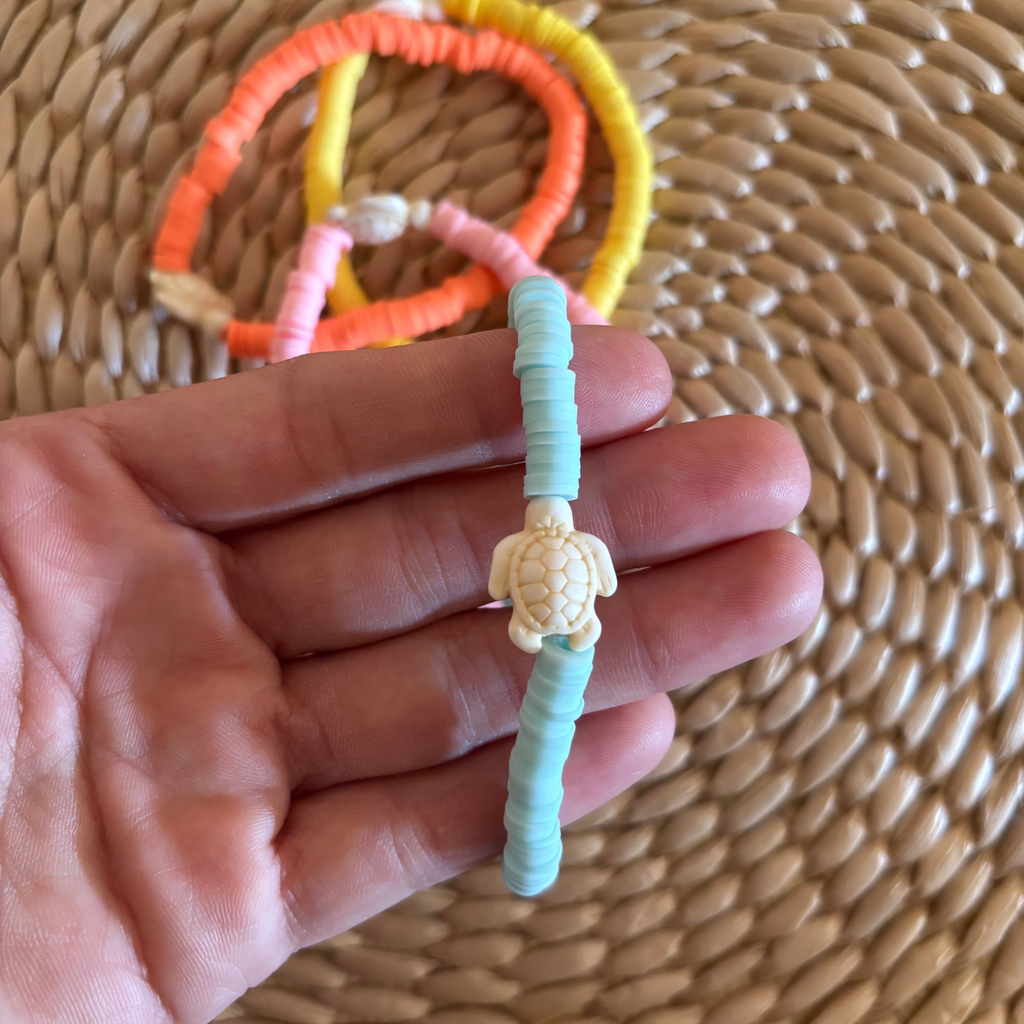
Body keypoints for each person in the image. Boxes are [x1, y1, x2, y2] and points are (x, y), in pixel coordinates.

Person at [0, 327, 821, 1023]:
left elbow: (554, 574)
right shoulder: (546, 537)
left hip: (558, 620)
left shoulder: (553, 540)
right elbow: (528, 575)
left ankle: (529, 836)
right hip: (551, 614)